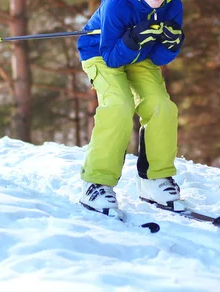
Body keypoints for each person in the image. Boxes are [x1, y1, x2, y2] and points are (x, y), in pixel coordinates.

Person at [77, 0, 186, 218]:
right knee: (119, 104)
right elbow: (110, 57)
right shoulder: (117, 4)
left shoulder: (173, 5)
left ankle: (154, 179)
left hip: (141, 56)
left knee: (162, 107)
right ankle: (96, 183)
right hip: (100, 52)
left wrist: (171, 44)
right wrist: (134, 38)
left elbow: (158, 57)